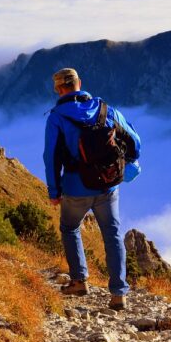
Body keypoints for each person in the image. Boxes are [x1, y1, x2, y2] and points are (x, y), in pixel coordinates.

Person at [43, 67, 141, 310]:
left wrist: (54, 192)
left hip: (76, 188)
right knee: (112, 234)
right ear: (79, 83)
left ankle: (79, 281)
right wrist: (125, 163)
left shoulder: (57, 117)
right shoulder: (105, 109)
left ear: (58, 89)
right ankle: (119, 294)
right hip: (108, 185)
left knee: (69, 228)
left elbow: (51, 157)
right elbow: (135, 142)